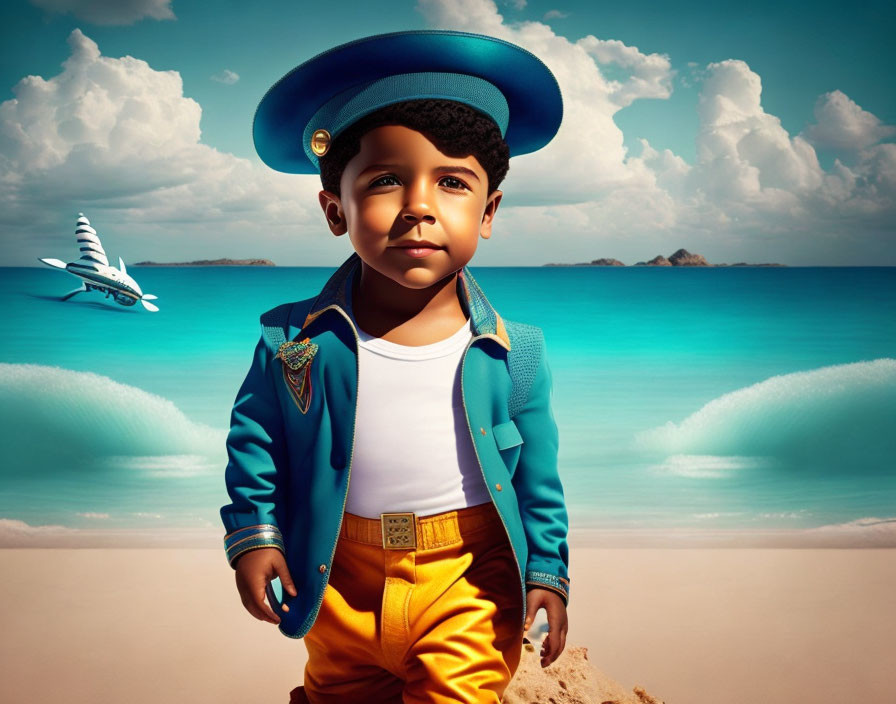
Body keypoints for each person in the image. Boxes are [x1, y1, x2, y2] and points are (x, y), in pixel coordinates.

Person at [220, 29, 570, 703]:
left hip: (469, 573)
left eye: (453, 182)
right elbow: (254, 442)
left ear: (488, 210)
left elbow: (538, 477)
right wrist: (254, 536)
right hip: (337, 570)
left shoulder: (515, 351)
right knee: (338, 694)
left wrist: (548, 573)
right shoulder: (290, 339)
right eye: (384, 180)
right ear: (334, 209)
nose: (418, 206)